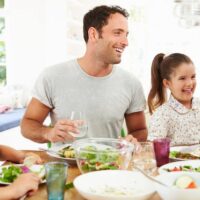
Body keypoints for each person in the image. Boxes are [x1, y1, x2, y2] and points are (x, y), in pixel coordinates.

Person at [20, 5, 147, 143]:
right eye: (117, 33)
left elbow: (139, 130)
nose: (125, 42)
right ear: (93, 34)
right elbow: (28, 124)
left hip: (111, 164)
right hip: (64, 164)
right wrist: (48, 133)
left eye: (126, 35)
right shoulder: (52, 77)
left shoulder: (131, 84)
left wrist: (131, 141)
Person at [147, 53, 200, 146]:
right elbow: (153, 150)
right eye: (182, 78)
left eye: (193, 77)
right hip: (176, 161)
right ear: (167, 83)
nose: (190, 83)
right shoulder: (162, 115)